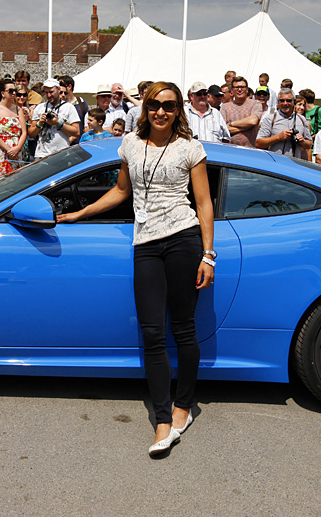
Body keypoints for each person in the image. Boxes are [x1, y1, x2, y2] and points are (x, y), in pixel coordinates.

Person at [56, 81, 214, 457]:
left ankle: (182, 407)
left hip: (182, 238)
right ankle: (162, 418)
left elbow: (204, 203)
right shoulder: (129, 143)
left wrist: (208, 255)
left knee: (183, 327)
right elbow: (121, 192)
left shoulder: (190, 148)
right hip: (145, 243)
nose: (162, 112)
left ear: (179, 110)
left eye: (170, 106)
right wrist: (79, 213)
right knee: (151, 332)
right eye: (156, 104)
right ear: (145, 107)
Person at [27, 78, 80, 159]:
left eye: (51, 92)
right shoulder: (40, 107)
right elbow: (31, 133)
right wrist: (39, 123)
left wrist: (59, 123)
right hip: (42, 154)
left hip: (62, 154)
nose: (49, 95)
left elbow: (76, 132)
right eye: (46, 92)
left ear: (58, 89)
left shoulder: (69, 107)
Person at [0, 79, 27, 183]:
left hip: (16, 152)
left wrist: (17, 148)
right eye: (10, 91)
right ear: (3, 93)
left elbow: (24, 132)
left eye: (15, 91)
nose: (14, 93)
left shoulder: (18, 109)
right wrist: (8, 149)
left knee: (16, 182)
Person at [256, 89, 311, 158]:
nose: (285, 103)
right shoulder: (270, 119)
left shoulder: (302, 119)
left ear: (294, 102)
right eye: (282, 101)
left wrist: (302, 142)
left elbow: (309, 144)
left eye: (288, 100)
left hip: (295, 164)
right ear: (278, 102)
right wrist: (279, 137)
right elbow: (258, 143)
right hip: (275, 163)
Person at [220, 76, 263, 148]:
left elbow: (253, 121)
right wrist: (247, 127)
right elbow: (223, 130)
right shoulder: (225, 107)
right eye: (236, 87)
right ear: (232, 90)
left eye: (242, 87)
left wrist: (231, 124)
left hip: (250, 149)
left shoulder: (255, 104)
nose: (239, 89)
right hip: (230, 150)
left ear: (247, 89)